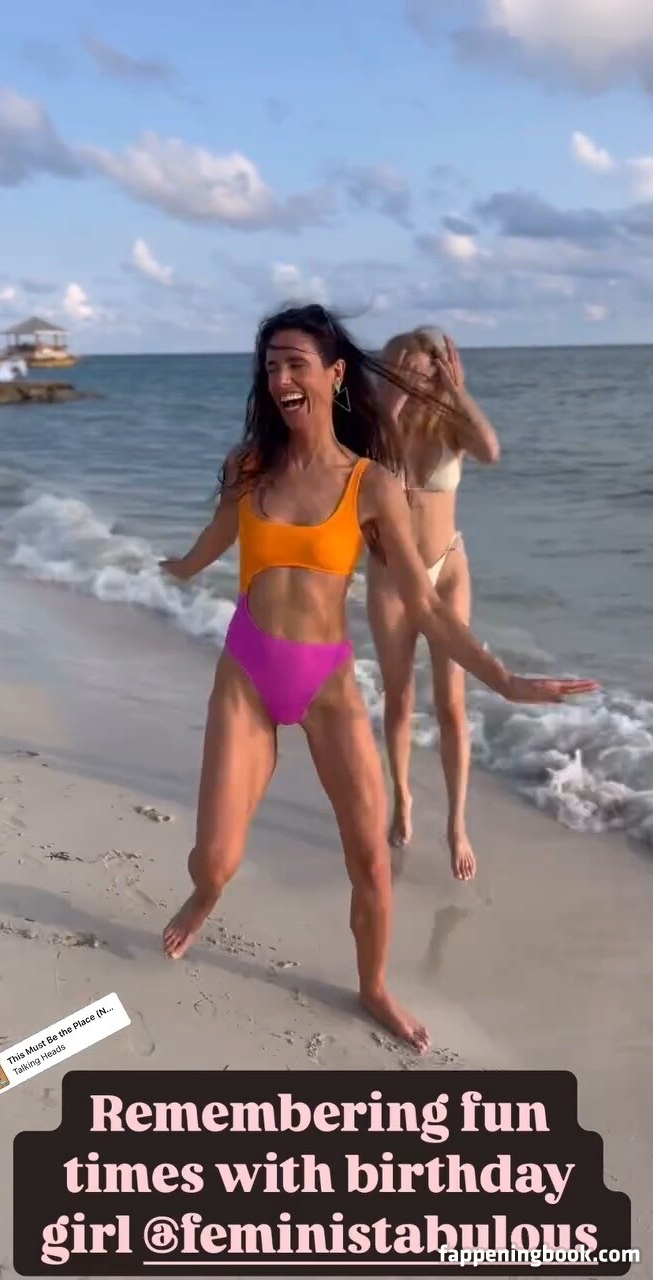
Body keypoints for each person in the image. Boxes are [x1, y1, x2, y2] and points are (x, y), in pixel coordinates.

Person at [159, 303, 597, 1051]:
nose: (280, 378)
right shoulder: (249, 467)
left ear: (334, 375)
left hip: (326, 683)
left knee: (370, 860)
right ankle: (204, 895)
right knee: (217, 861)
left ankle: (374, 988)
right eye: (271, 365)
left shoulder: (371, 486)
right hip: (247, 675)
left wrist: (504, 680)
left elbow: (424, 605)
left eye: (296, 363)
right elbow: (216, 538)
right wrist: (177, 566)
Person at [367, 326, 499, 881]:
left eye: (428, 372)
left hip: (447, 571)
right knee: (399, 698)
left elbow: (490, 450)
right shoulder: (374, 430)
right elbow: (359, 471)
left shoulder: (452, 424)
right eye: (406, 372)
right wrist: (391, 402)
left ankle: (456, 824)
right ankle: (402, 797)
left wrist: (457, 392)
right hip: (391, 576)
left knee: (451, 704)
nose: (418, 382)